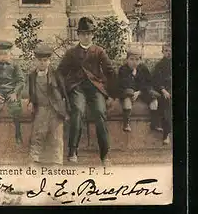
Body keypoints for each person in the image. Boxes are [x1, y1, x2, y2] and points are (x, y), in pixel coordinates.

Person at [57, 16, 116, 165]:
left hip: (95, 88)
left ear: (93, 35)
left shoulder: (99, 51)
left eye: (89, 33)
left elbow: (110, 72)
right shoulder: (71, 53)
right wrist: (62, 92)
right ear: (78, 35)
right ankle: (72, 151)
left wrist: (111, 94)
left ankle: (104, 154)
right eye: (83, 33)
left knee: (100, 113)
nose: (86, 36)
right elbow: (60, 72)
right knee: (77, 111)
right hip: (77, 88)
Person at [28, 45, 70, 165]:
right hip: (41, 108)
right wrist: (31, 101)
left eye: (45, 60)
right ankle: (33, 159)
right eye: (40, 60)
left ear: (49, 61)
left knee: (56, 136)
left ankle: (57, 162)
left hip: (55, 109)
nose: (42, 63)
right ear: (35, 61)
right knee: (37, 134)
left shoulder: (56, 75)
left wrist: (65, 109)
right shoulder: (32, 76)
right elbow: (32, 92)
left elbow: (63, 92)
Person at [0, 41, 25, 144]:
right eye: (0, 54)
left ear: (10, 54)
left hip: (11, 92)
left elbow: (21, 81)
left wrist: (15, 92)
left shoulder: (15, 66)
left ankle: (18, 133)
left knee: (15, 109)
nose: (3, 57)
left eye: (5, 54)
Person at [118, 47, 160, 133]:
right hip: (128, 91)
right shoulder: (123, 69)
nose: (134, 62)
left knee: (154, 101)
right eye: (131, 59)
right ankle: (126, 123)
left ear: (140, 60)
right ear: (127, 60)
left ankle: (154, 124)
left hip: (141, 91)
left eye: (137, 59)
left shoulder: (143, 68)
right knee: (127, 100)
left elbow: (148, 83)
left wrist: (140, 92)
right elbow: (124, 84)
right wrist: (133, 75)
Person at [152, 43, 172, 145]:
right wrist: (163, 90)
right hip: (164, 91)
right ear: (162, 52)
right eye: (166, 51)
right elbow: (156, 80)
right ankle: (166, 134)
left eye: (170, 51)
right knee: (166, 105)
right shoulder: (159, 65)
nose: (168, 53)